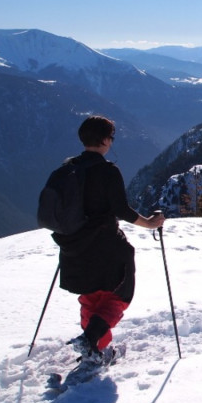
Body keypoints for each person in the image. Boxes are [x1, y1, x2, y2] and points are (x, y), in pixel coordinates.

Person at [52, 116, 165, 366]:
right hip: (106, 246)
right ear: (104, 140)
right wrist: (150, 223)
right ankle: (92, 338)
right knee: (119, 294)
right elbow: (122, 211)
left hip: (72, 246)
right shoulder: (107, 170)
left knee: (90, 297)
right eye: (111, 138)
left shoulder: (66, 169)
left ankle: (97, 348)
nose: (111, 142)